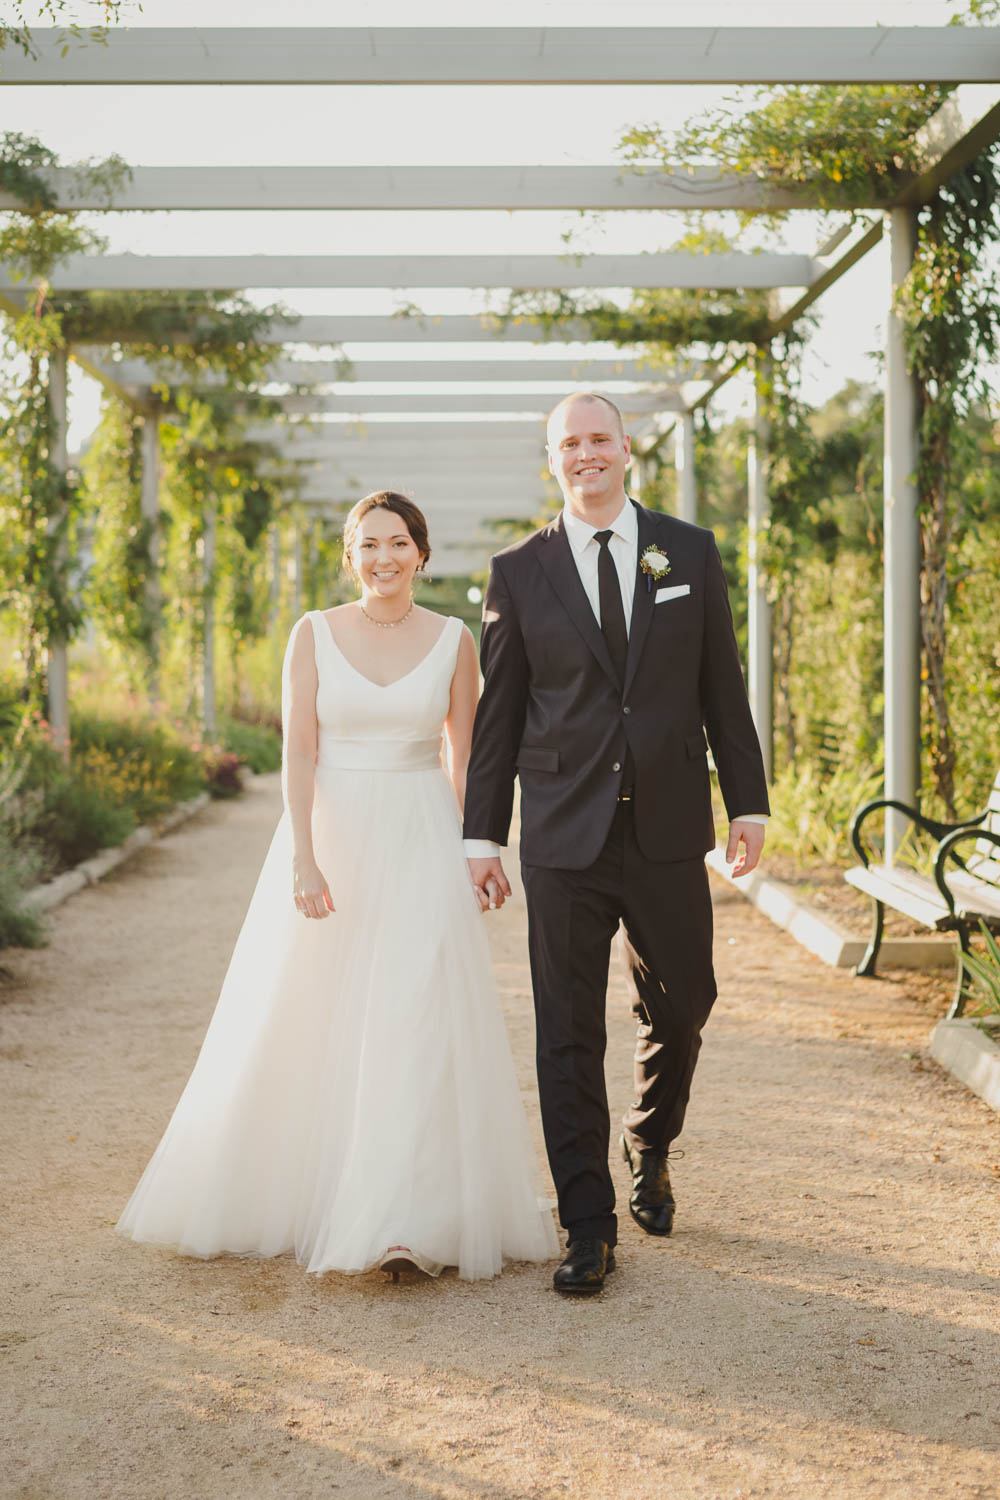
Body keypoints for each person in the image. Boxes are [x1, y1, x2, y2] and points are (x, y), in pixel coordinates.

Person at [117, 491, 558, 1282]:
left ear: (422, 553)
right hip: (336, 836)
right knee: (309, 1011)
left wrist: (479, 851)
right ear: (349, 556)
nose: (383, 558)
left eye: (398, 543)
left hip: (423, 834)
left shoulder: (457, 640)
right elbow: (299, 753)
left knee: (414, 1014)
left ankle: (403, 1219)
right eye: (368, 545)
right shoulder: (312, 634)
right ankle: (307, 1190)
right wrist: (303, 855)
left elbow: (469, 761)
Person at [463, 393, 769, 1295]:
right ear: (551, 461)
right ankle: (586, 1224)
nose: (586, 454)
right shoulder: (518, 570)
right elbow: (500, 714)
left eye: (600, 439)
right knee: (563, 1029)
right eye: (570, 444)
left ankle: (650, 1140)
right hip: (562, 830)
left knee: (685, 1003)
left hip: (669, 823)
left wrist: (747, 802)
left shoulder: (691, 549)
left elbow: (723, 684)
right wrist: (482, 834)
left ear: (627, 450)